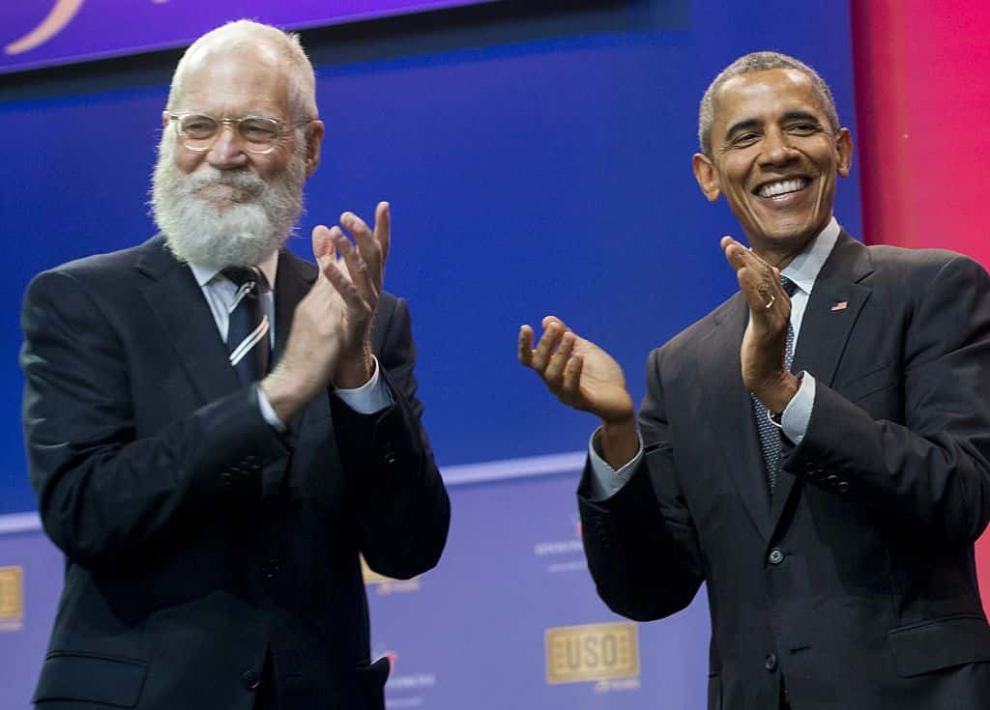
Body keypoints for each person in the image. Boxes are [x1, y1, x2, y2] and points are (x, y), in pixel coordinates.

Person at [520, 51, 990, 709]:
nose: (777, 153)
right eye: (746, 136)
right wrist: (619, 434)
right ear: (709, 175)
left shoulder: (932, 288)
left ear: (841, 149)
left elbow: (959, 493)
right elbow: (649, 590)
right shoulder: (682, 366)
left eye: (799, 127)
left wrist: (787, 395)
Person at [20, 20, 449, 710]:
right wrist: (274, 397)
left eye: (255, 128)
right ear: (167, 134)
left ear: (308, 146)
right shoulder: (82, 301)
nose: (224, 154)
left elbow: (410, 547)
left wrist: (358, 377)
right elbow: (86, 511)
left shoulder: (363, 315)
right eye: (198, 127)